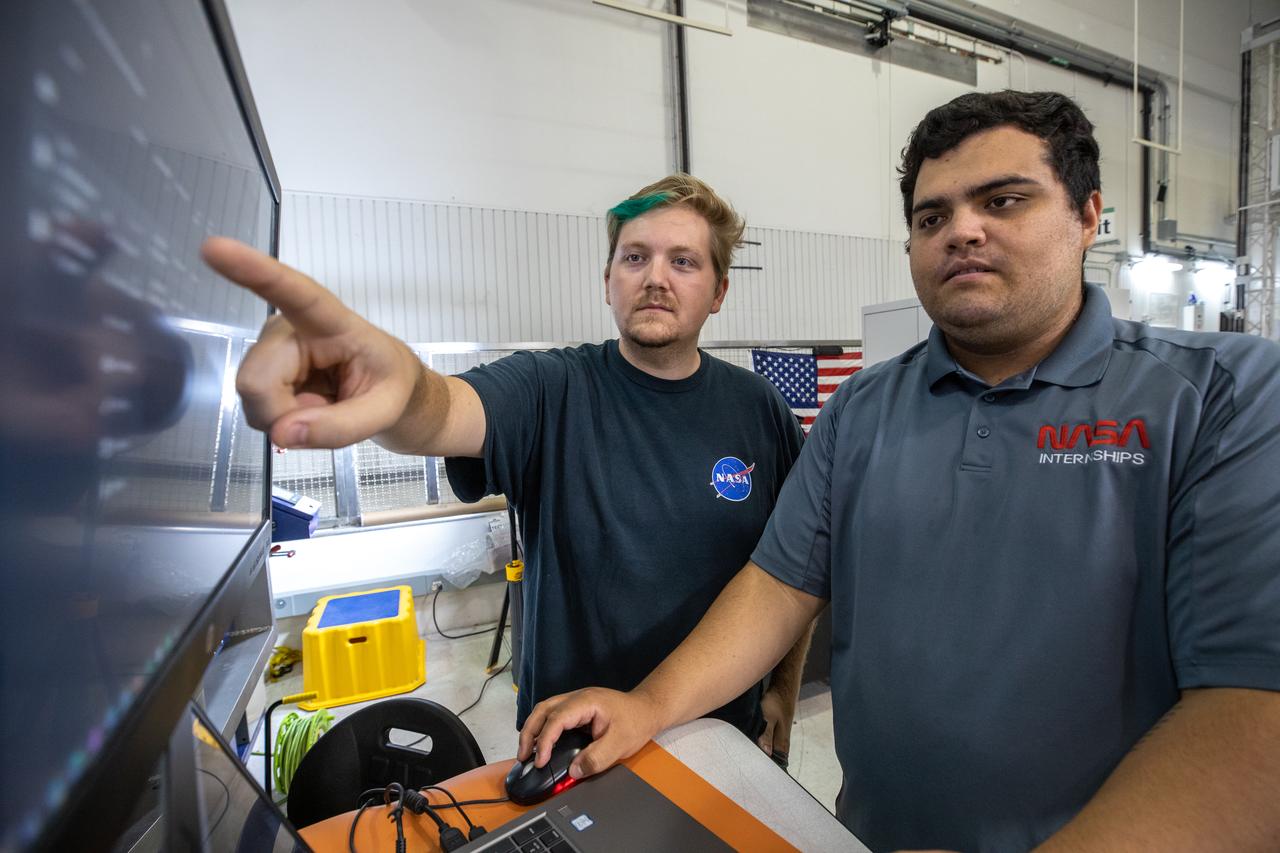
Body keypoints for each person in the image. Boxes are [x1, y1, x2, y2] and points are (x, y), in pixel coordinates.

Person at [516, 91, 1280, 852]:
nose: (963, 232)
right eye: (931, 217)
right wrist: (648, 704)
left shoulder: (1225, 396)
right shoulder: (863, 408)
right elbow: (780, 585)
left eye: (1004, 200)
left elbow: (1255, 709)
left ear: (1087, 216)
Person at [201, 174, 811, 758]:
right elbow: (442, 409)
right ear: (607, 280)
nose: (655, 278)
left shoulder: (759, 410)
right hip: (574, 744)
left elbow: (799, 567)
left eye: (683, 261)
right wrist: (397, 384)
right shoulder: (550, 389)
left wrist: (782, 689)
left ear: (719, 290)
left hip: (722, 738)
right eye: (634, 257)